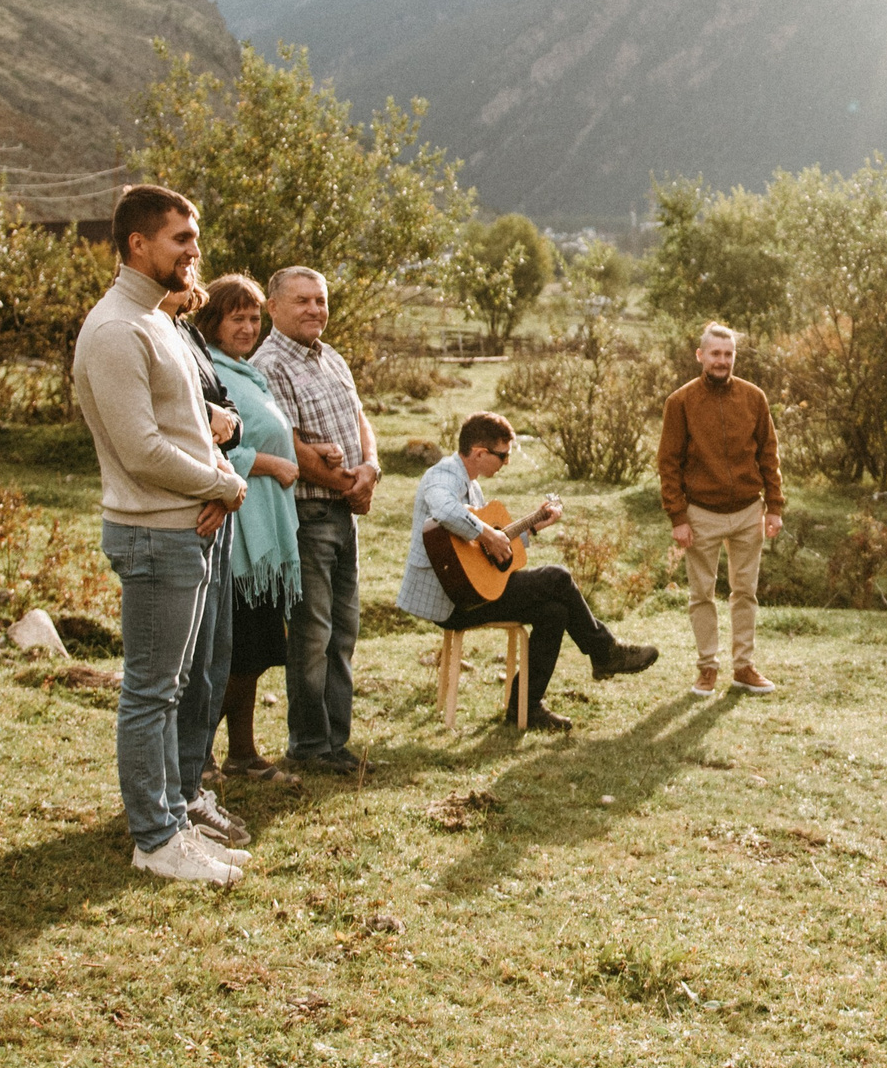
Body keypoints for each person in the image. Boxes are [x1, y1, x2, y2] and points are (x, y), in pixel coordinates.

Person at [71, 184, 250, 886]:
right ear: (137, 243)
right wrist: (222, 487)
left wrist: (218, 472)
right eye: (181, 238)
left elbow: (189, 426)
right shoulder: (117, 329)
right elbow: (142, 450)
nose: (193, 251)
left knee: (173, 689)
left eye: (194, 237)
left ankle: (174, 822)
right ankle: (153, 839)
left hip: (181, 529)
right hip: (152, 533)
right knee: (150, 693)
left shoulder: (158, 320)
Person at [397, 411, 661, 728]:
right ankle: (605, 653)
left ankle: (525, 706)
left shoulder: (473, 487)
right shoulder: (443, 475)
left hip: (470, 591)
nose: (507, 462)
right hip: (449, 600)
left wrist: (533, 526)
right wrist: (489, 534)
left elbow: (481, 554)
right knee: (557, 577)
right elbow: (445, 511)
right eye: (503, 455)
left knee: (554, 612)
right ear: (479, 453)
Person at [252, 266, 378, 777]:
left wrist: (371, 468)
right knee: (312, 635)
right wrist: (348, 484)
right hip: (308, 515)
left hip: (344, 513)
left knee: (343, 631)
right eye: (302, 300)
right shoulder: (269, 364)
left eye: (320, 300)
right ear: (273, 307)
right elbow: (287, 445)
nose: (314, 309)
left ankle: (335, 743)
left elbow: (360, 420)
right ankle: (309, 745)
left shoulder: (332, 357)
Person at [191, 273, 304, 785]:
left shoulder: (246, 373)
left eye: (255, 318)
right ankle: (196, 756)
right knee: (236, 651)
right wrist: (272, 464)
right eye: (236, 317)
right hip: (237, 532)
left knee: (255, 650)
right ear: (212, 321)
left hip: (265, 527)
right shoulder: (208, 372)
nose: (248, 327)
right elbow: (210, 447)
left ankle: (242, 752)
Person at [158, 275, 256, 851]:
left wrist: (225, 421)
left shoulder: (186, 333)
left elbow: (231, 414)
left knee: (213, 662)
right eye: (182, 253)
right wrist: (211, 430)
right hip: (183, 512)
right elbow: (162, 424)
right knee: (180, 669)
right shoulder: (144, 332)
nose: (190, 269)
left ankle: (192, 786)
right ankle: (171, 800)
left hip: (219, 509)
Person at [657, 322, 785, 696]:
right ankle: (707, 668)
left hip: (748, 510)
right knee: (702, 594)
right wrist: (678, 517)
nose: (722, 361)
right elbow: (668, 463)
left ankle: (744, 667)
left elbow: (769, 454)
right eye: (715, 353)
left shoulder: (754, 398)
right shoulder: (680, 402)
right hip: (701, 512)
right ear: (701, 355)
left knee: (745, 591)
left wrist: (774, 507)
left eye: (728, 354)